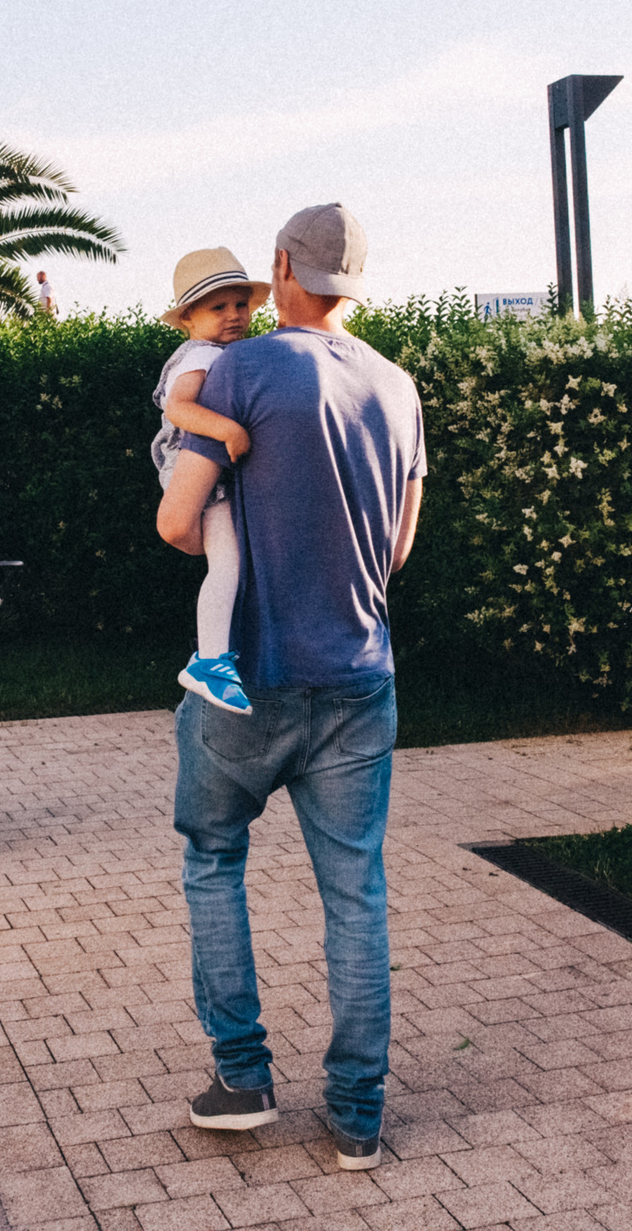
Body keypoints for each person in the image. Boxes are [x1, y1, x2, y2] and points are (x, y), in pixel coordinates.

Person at [154, 202, 426, 1172]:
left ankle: (243, 1079)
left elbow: (178, 523)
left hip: (248, 681)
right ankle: (357, 1119)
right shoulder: (396, 388)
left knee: (212, 859)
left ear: (280, 269)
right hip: (359, 678)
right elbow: (396, 547)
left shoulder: (240, 368)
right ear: (354, 283)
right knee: (355, 894)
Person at [147, 247, 270, 715]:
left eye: (240, 304)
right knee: (228, 567)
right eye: (218, 307)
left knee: (230, 567)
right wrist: (229, 430)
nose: (234, 315)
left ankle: (217, 656)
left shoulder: (225, 352)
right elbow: (178, 408)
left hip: (211, 470)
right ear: (187, 319)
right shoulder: (198, 354)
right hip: (193, 465)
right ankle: (211, 661)